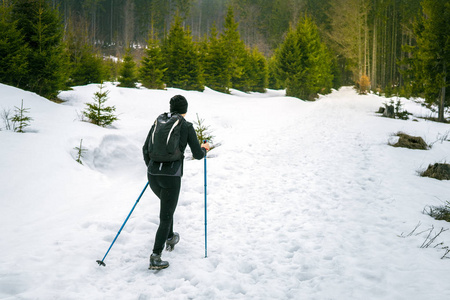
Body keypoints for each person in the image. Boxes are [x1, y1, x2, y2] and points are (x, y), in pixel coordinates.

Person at [142, 95, 210, 270]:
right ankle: (155, 256)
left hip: (153, 175)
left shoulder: (158, 122)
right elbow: (197, 154)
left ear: (171, 108)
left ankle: (171, 236)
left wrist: (153, 167)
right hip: (171, 177)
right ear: (185, 109)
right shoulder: (186, 126)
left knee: (167, 208)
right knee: (165, 216)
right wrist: (205, 148)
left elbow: (145, 149)